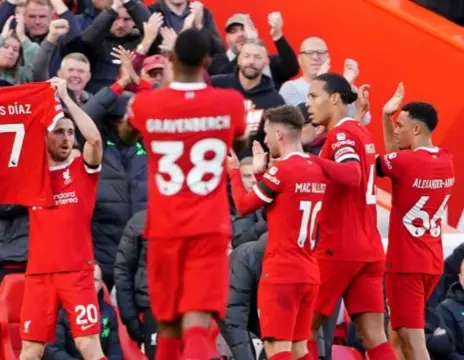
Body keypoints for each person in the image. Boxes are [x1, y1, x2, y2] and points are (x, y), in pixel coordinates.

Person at [125, 29, 247, 359]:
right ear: (208, 61)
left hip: (165, 227)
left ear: (171, 58)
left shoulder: (148, 103)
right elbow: (240, 141)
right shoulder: (229, 102)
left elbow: (124, 134)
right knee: (197, 320)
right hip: (209, 224)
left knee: (166, 322)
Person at [305, 73, 395, 360]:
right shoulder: (359, 131)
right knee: (373, 337)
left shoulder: (341, 134)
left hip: (339, 247)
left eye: (313, 96)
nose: (308, 104)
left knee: (299, 328)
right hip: (368, 248)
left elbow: (352, 174)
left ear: (334, 99)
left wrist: (308, 159)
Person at [17, 77, 107, 360]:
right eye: (59, 132)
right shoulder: (32, 173)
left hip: (77, 272)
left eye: (70, 132)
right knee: (31, 349)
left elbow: (93, 139)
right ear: (44, 136)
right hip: (39, 274)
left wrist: (67, 99)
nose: (67, 138)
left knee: (88, 345)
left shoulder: (83, 170)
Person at [226, 105, 326, 360]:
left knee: (277, 350)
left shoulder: (283, 170)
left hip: (281, 273)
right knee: (299, 348)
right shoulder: (316, 168)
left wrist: (235, 172)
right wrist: (261, 172)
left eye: (268, 134)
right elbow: (279, 207)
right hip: (308, 271)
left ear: (280, 134)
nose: (266, 140)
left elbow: (244, 205)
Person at [376, 83, 454, 360]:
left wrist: (383, 117)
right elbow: (395, 160)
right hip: (431, 261)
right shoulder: (446, 159)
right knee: (397, 335)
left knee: (414, 341)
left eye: (400, 125)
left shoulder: (407, 163)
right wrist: (388, 119)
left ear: (417, 129)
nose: (396, 130)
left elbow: (386, 162)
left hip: (405, 264)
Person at [43, 263, 122, 359]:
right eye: (86, 279)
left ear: (101, 285)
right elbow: (53, 350)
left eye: (95, 280)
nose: (90, 284)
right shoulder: (62, 310)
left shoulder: (109, 313)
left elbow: (114, 352)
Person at [114, 210, 158, 358]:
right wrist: (130, 317)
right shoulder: (140, 221)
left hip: (191, 310)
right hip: (153, 309)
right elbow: (123, 270)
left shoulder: (197, 219)